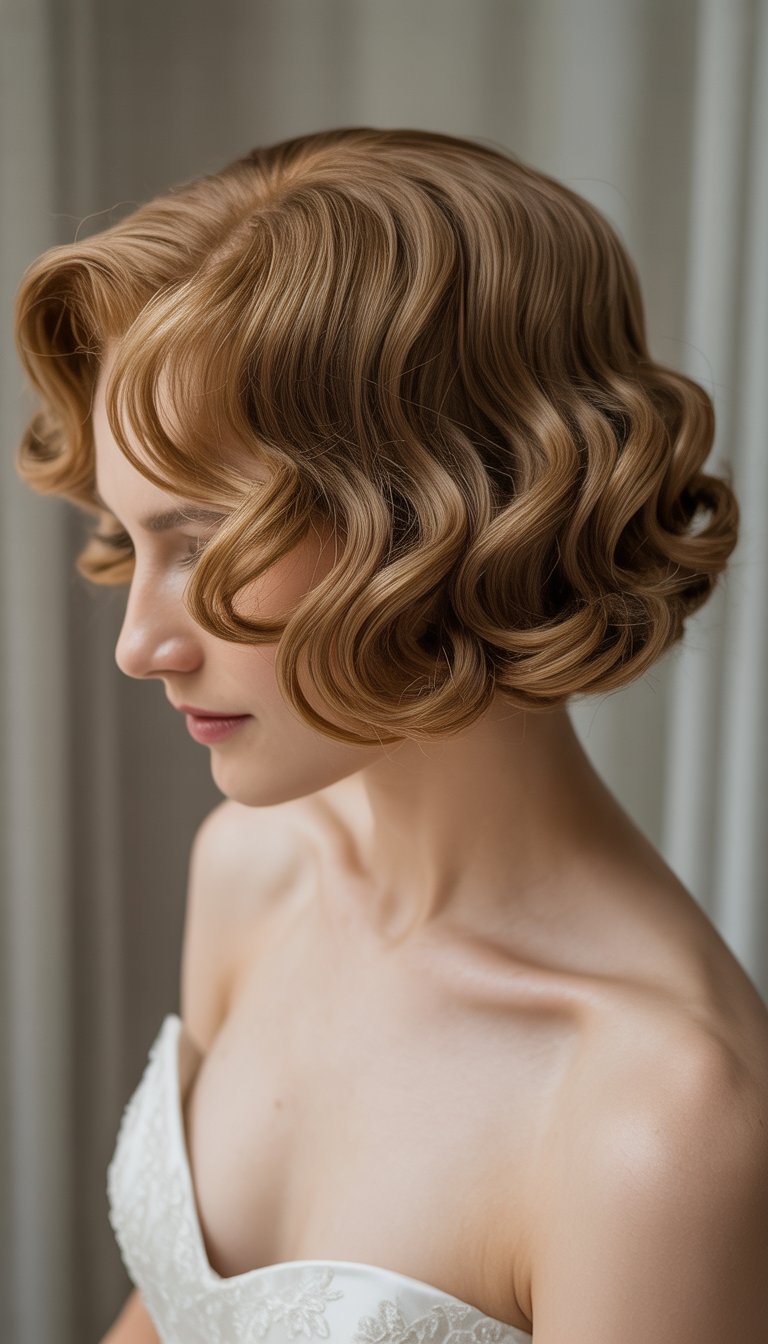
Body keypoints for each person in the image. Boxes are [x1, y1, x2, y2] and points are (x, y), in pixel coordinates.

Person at [13, 127, 768, 1343]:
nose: (139, 643)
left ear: (442, 518)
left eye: (202, 544)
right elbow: (176, 1314)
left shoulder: (654, 1116)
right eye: (132, 537)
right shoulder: (255, 872)